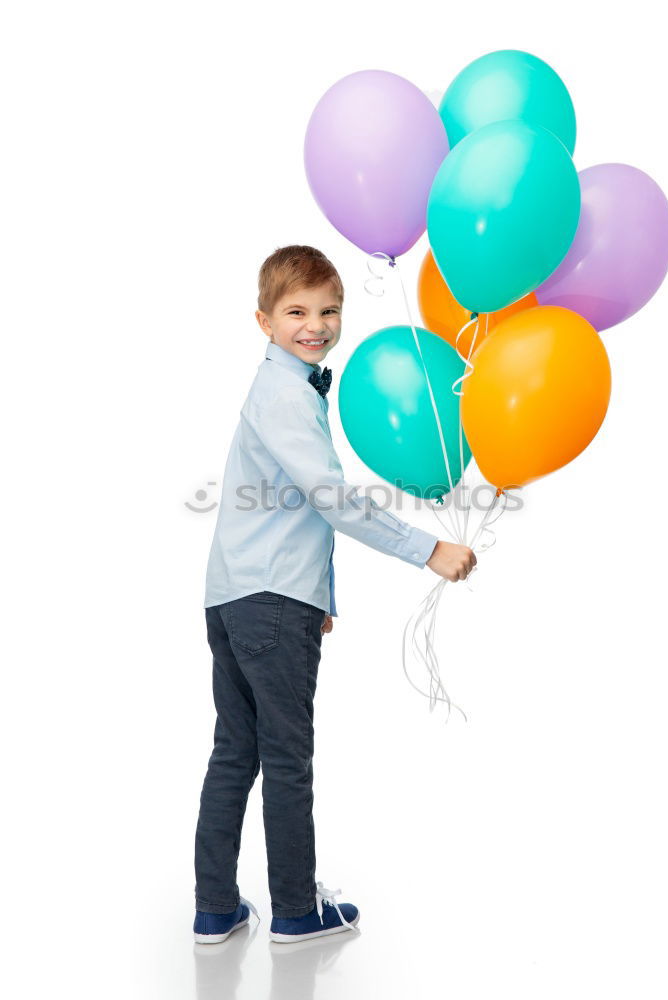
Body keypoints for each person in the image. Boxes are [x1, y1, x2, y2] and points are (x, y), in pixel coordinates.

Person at [193, 245, 476, 945]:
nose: (314, 325)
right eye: (296, 312)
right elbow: (331, 500)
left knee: (236, 752)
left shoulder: (278, 389)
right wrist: (428, 549)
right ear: (263, 320)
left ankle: (215, 909)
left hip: (236, 597)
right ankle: (293, 910)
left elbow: (276, 510)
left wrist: (314, 601)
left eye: (328, 310)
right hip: (268, 604)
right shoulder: (287, 394)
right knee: (285, 758)